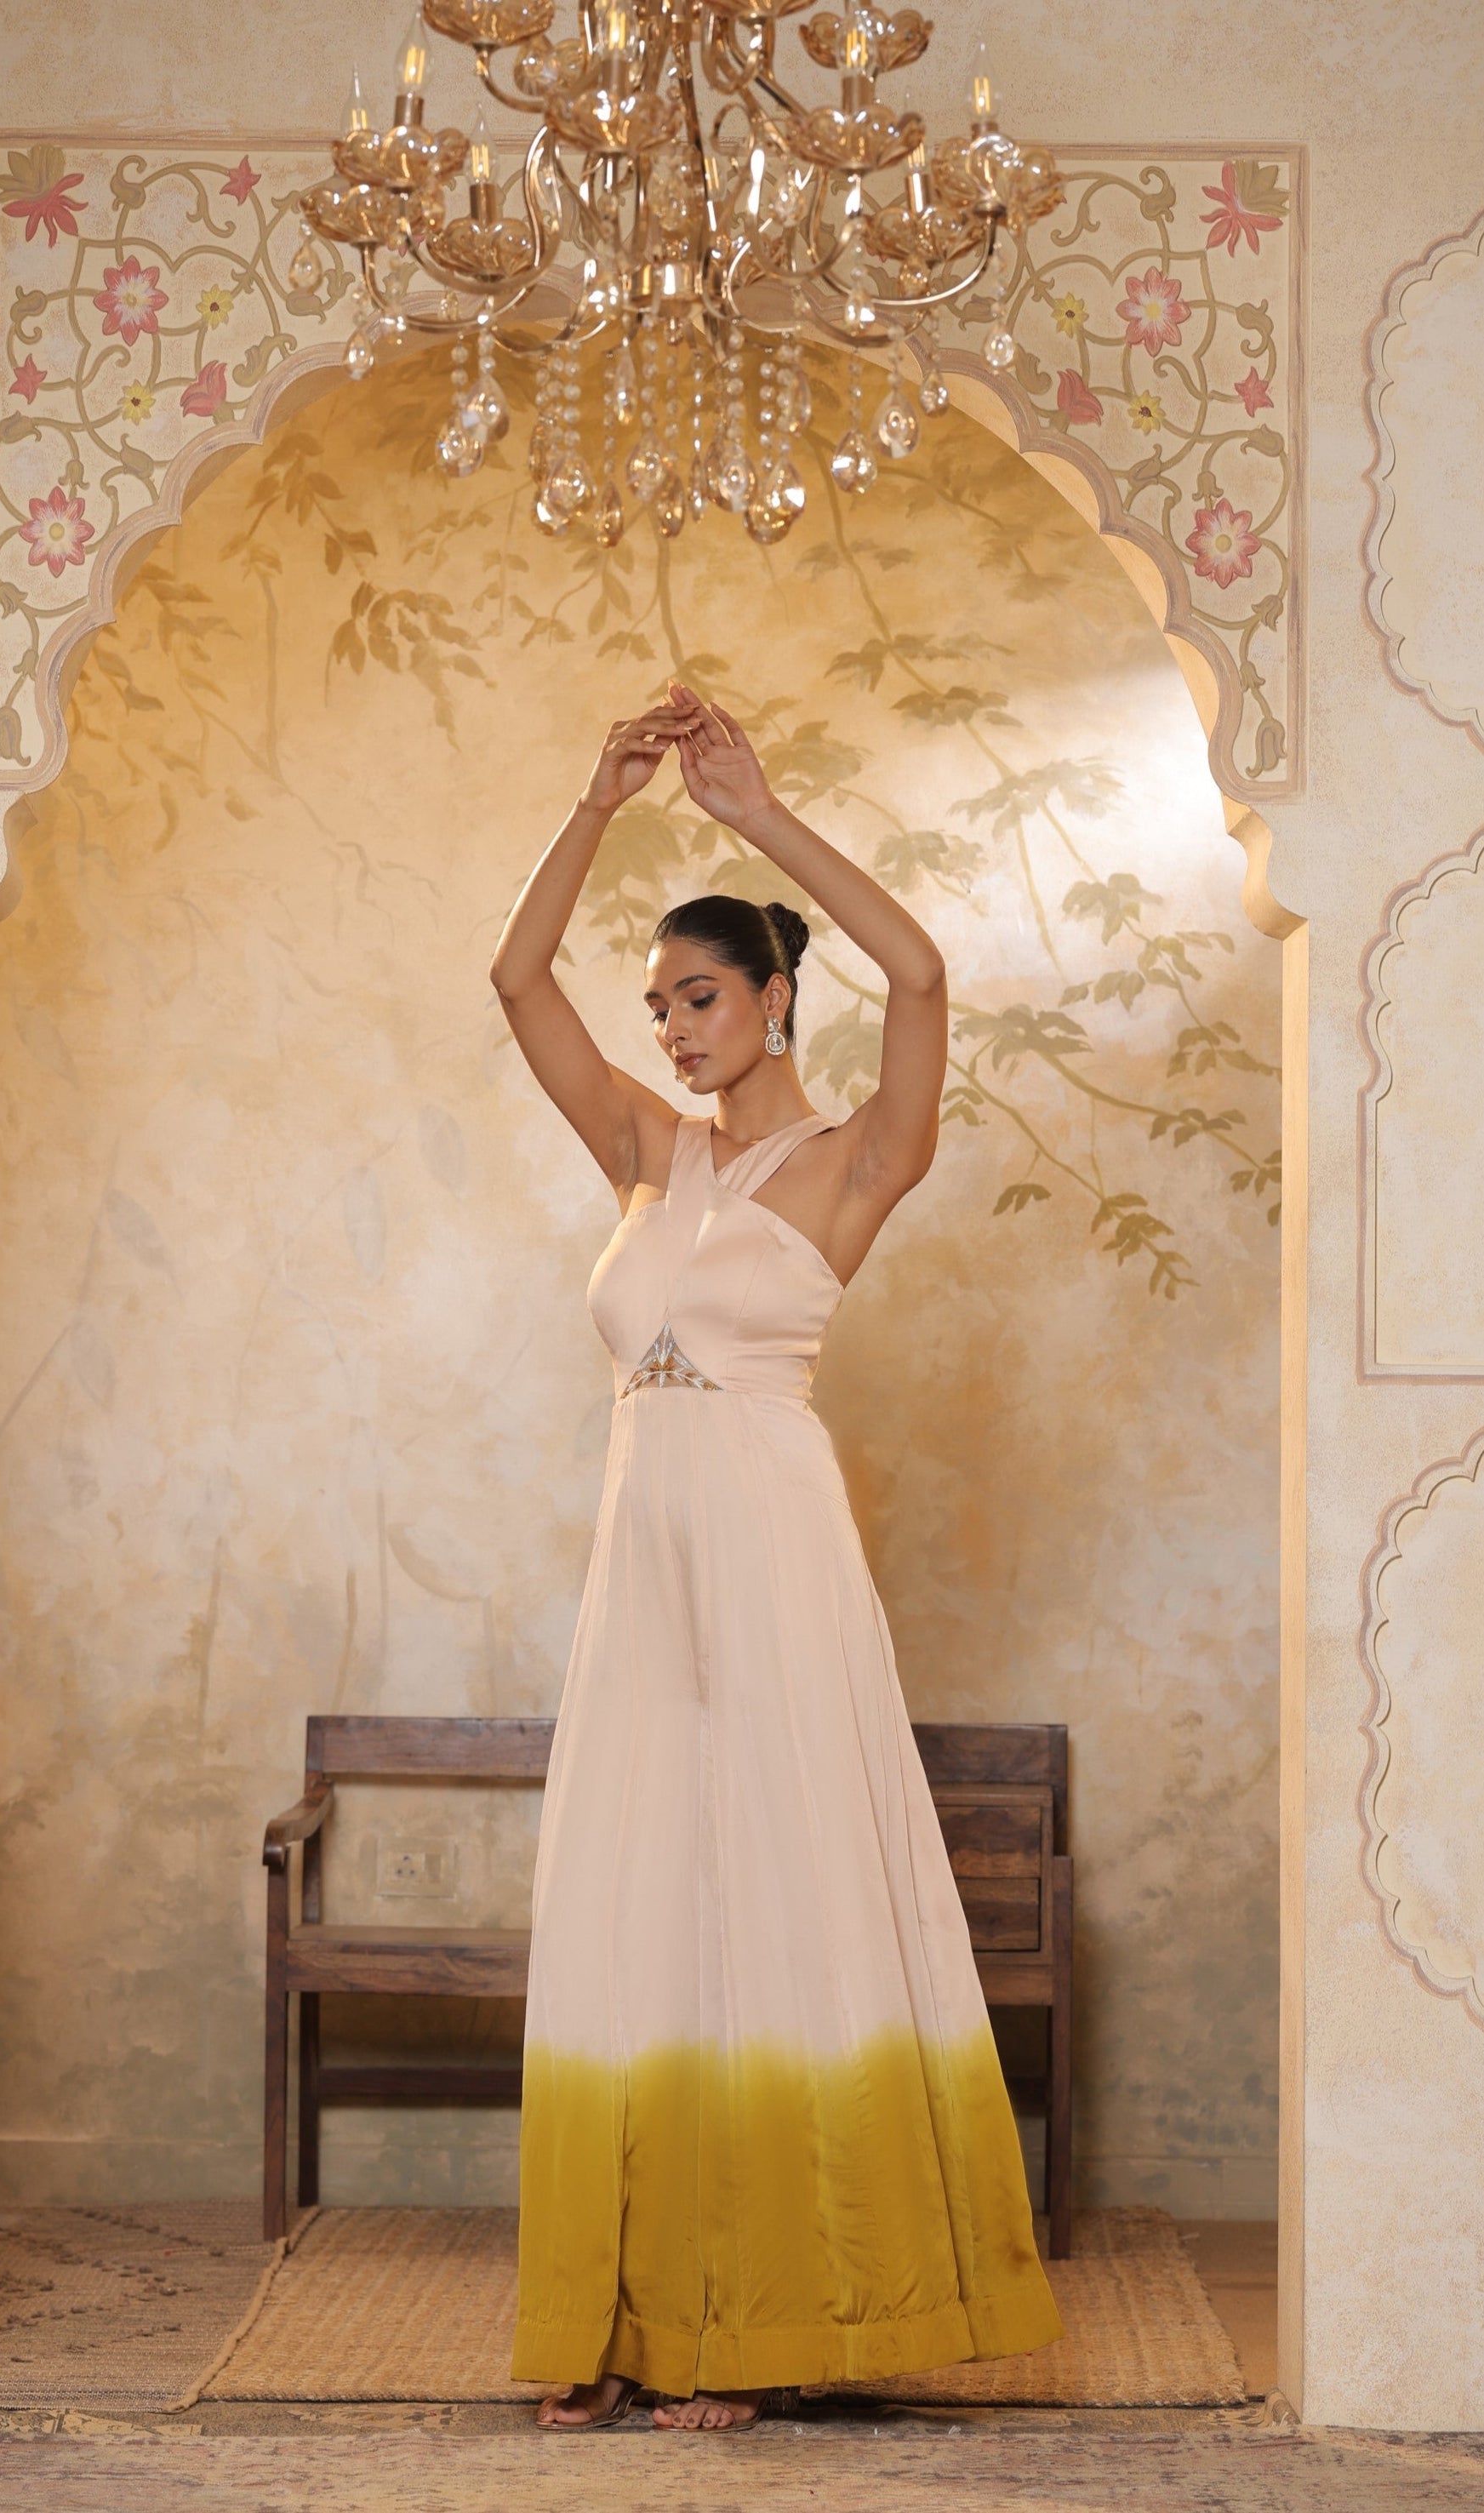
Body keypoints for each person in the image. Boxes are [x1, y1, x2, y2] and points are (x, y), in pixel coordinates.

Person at [489, 684, 1061, 2433]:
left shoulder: (852, 1164)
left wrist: (754, 815)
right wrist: (597, 799)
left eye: (701, 994)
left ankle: (765, 2320)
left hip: (771, 1555)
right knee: (639, 1905)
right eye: (659, 1003)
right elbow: (516, 980)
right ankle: (623, 2312)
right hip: (642, 1573)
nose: (672, 1028)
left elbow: (926, 979)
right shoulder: (643, 1155)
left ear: (773, 995)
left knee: (773, 1896)